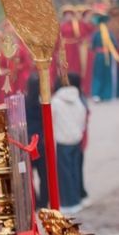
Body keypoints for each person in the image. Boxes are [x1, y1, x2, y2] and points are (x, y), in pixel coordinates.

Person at [50, 72, 89, 214]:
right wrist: (78, 130)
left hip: (63, 141)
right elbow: (83, 116)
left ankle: (69, 203)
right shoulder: (78, 98)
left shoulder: (55, 101)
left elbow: (51, 120)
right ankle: (77, 199)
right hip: (76, 139)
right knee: (75, 171)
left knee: (65, 174)